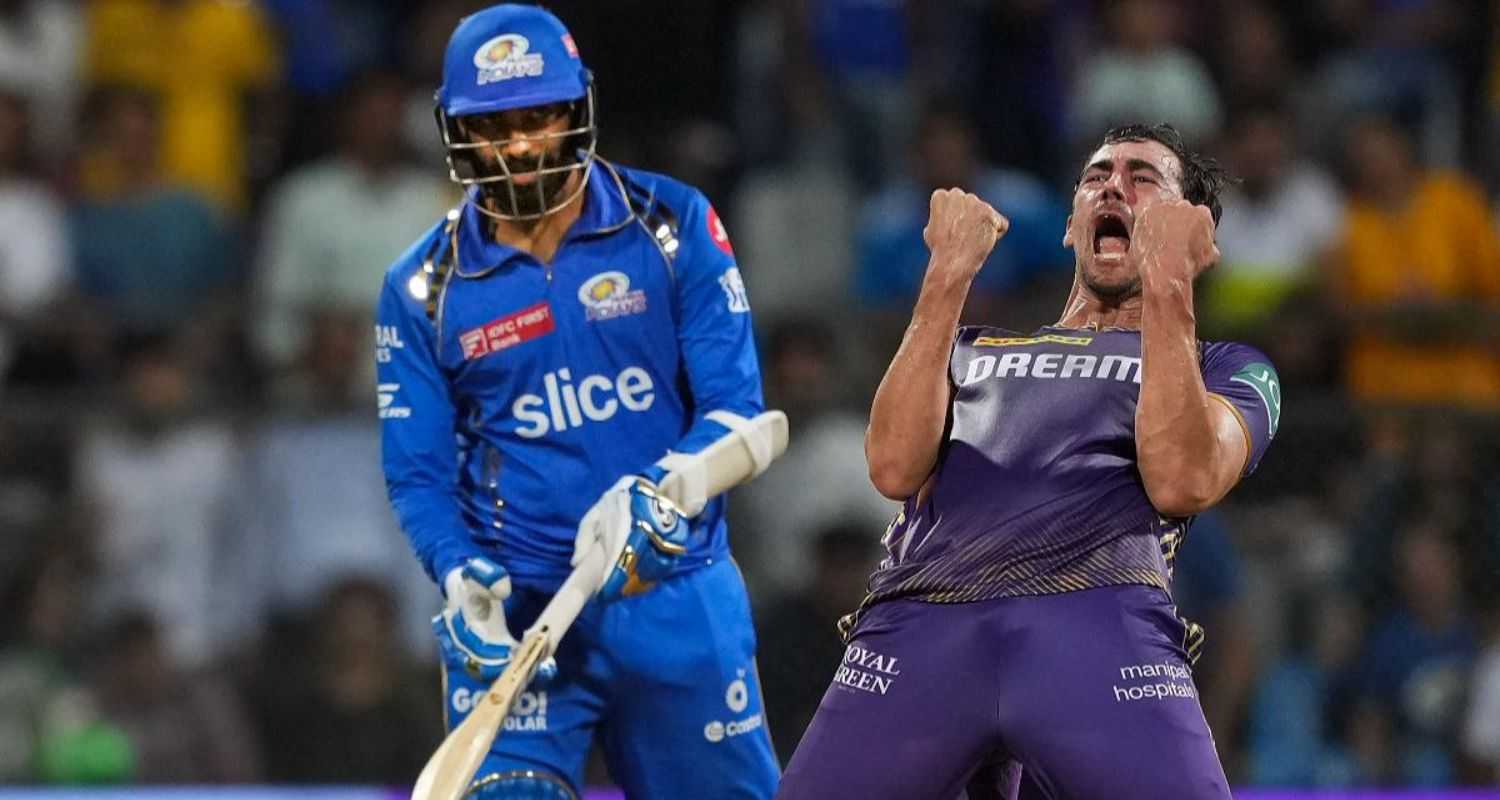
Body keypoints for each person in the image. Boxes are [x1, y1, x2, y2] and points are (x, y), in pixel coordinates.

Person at [777, 124, 1281, 800]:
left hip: (1099, 628)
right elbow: (893, 467)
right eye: (1099, 176)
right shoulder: (970, 346)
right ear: (1074, 225)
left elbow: (1185, 478)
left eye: (1143, 179)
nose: (1115, 186)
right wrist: (946, 276)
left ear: (1195, 236)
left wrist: (1169, 286)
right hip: (924, 626)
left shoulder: (1224, 367)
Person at [375, 6, 777, 799]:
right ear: (455, 131)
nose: (520, 145)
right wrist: (462, 579)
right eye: (493, 126)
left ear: (578, 108)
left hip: (675, 596)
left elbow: (743, 414)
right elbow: (418, 477)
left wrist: (666, 490)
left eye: (539, 117)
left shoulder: (673, 227)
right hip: (521, 620)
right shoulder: (422, 289)